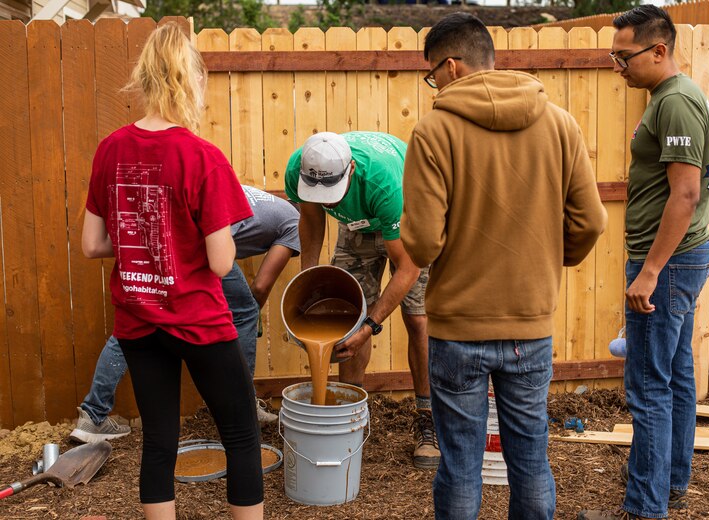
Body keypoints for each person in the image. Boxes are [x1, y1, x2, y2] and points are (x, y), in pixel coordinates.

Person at [401, 13, 606, 520]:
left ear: (450, 66)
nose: (433, 83)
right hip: (529, 324)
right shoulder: (559, 123)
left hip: (457, 329)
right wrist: (550, 261)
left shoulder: (433, 131)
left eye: (431, 74)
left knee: (461, 465)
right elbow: (592, 221)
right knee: (530, 459)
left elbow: (423, 242)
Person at [81, 23, 264, 519]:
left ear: (143, 78)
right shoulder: (203, 156)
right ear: (192, 81)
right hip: (199, 322)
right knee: (242, 437)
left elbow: (92, 243)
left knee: (159, 443)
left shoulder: (110, 149)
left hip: (139, 323)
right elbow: (222, 261)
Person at [578, 6, 709, 520]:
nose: (618, 65)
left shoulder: (676, 101)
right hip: (680, 259)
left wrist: (650, 271)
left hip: (669, 264)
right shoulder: (669, 97)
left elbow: (684, 193)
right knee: (676, 375)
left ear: (658, 50)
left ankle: (643, 507)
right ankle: (670, 481)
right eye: (613, 55)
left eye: (624, 55)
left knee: (648, 387)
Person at [71, 184, 301, 443]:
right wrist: (250, 316)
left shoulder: (263, 200)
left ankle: (93, 416)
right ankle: (244, 409)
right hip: (194, 241)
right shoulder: (296, 222)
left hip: (162, 231)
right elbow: (261, 285)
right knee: (246, 311)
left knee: (136, 320)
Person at [284, 131, 439, 469]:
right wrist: (309, 279)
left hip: (407, 215)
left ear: (350, 170)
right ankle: (350, 415)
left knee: (417, 317)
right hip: (358, 224)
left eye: (331, 194)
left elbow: (408, 269)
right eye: (319, 194)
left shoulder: (384, 183)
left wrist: (370, 326)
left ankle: (428, 420)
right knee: (347, 315)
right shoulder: (299, 167)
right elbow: (310, 220)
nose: (326, 202)